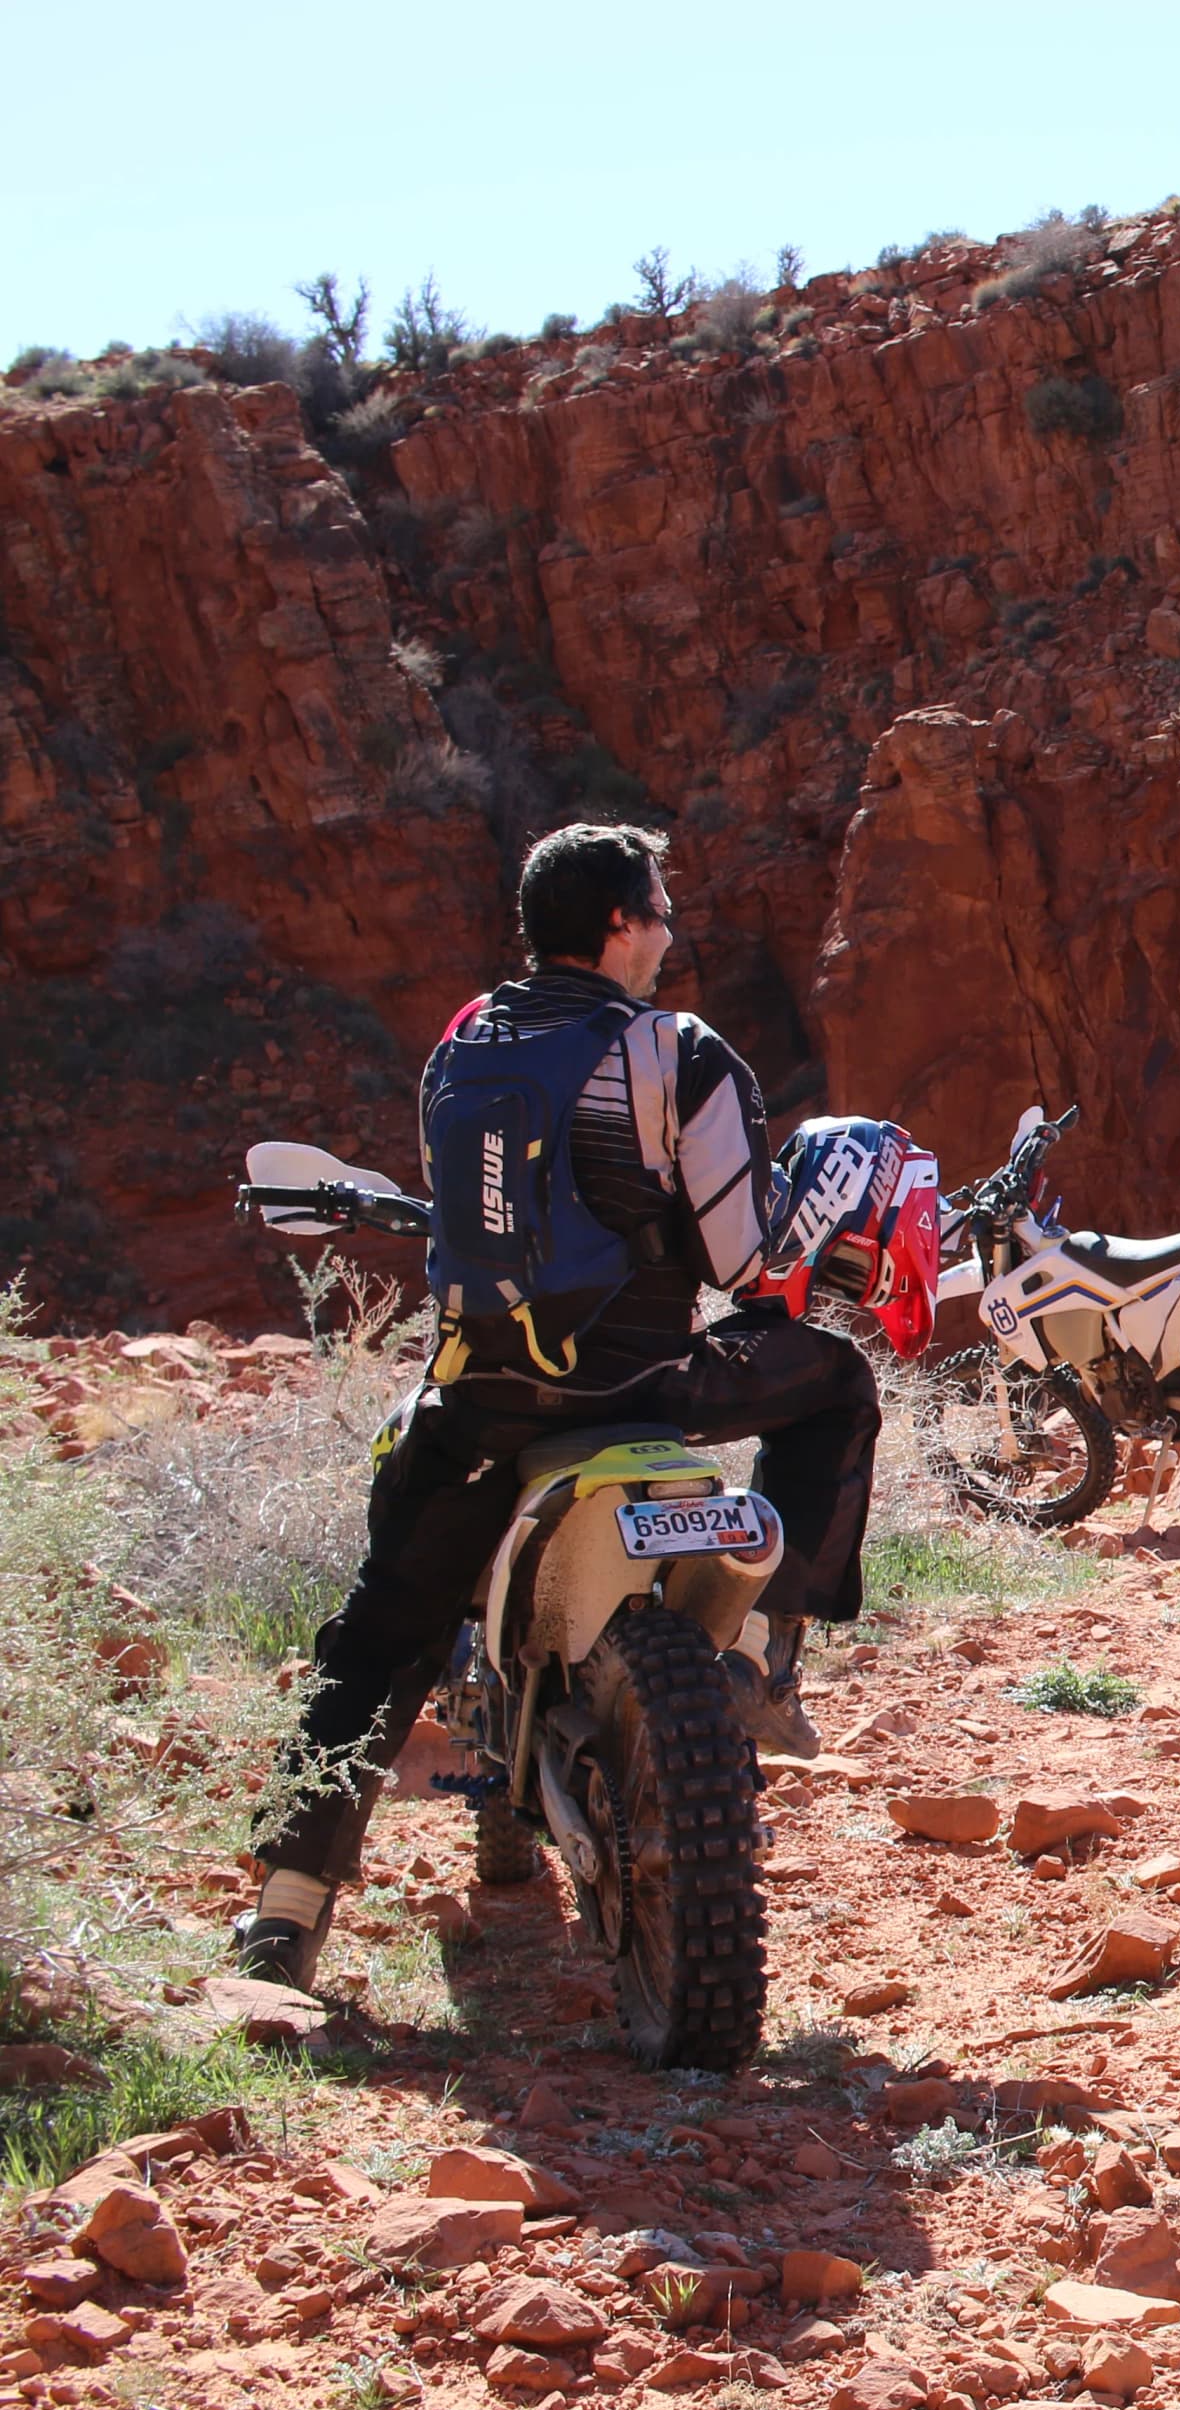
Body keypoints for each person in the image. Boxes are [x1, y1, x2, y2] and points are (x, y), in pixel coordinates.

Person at [231, 823, 884, 1986]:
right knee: (833, 1377)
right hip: (642, 1383)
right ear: (621, 925)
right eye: (663, 909)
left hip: (482, 1398)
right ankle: (768, 1661)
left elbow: (476, 1218)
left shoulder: (462, 1042)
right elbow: (741, 1263)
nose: (671, 930)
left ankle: (283, 1918)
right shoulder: (678, 1053)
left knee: (378, 1636)